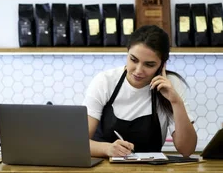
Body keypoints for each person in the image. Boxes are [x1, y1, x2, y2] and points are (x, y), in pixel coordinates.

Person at [83, 25, 197, 157]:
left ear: (162, 64)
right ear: (127, 53)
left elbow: (187, 149)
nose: (138, 71)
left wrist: (176, 101)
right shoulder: (105, 81)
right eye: (133, 60)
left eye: (149, 65)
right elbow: (79, 142)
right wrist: (107, 149)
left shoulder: (171, 84)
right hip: (104, 171)